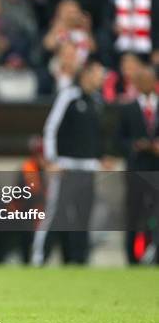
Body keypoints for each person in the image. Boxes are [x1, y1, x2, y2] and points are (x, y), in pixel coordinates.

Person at [32, 61, 108, 266]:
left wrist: (100, 158)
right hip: (66, 166)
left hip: (88, 167)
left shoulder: (97, 101)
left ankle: (79, 260)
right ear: (86, 75)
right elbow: (51, 128)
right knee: (55, 213)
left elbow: (97, 135)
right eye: (98, 74)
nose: (102, 79)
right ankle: (39, 257)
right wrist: (51, 160)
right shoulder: (69, 96)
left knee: (84, 216)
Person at [118, 67, 159, 264]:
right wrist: (135, 145)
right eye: (140, 79)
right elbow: (118, 140)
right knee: (134, 213)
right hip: (136, 169)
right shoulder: (128, 108)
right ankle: (131, 258)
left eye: (148, 79)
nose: (145, 83)